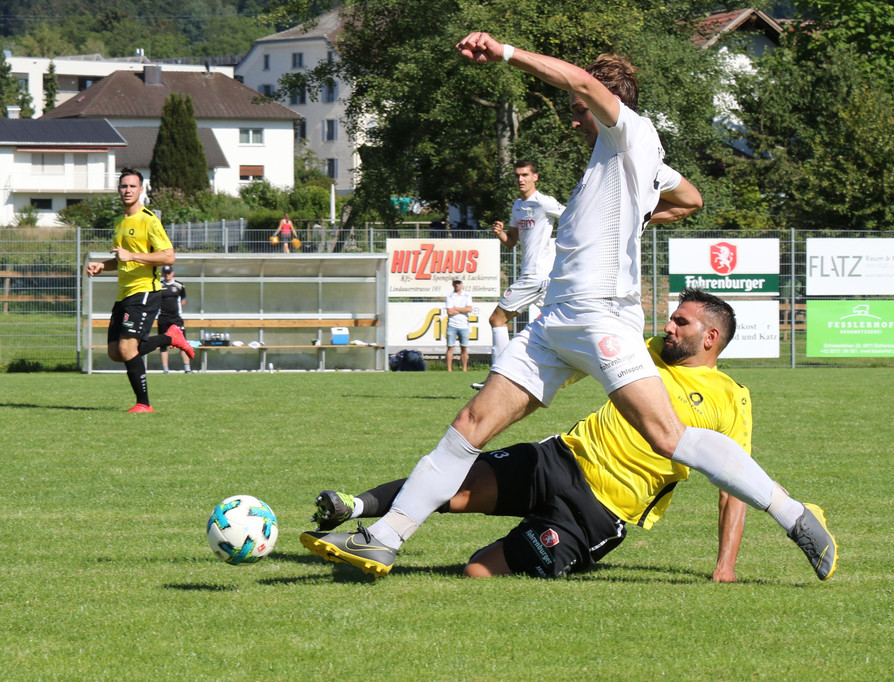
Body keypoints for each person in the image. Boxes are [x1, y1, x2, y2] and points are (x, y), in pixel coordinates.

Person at [300, 33, 836, 583]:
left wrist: (504, 53)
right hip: (555, 324)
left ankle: (795, 515)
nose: (573, 117)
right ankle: (385, 539)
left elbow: (587, 88)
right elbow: (690, 198)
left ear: (606, 102)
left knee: (667, 438)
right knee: (470, 424)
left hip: (601, 316)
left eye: (580, 108)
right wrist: (641, 212)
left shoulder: (632, 132)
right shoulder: (622, 160)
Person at [306, 290, 752, 581]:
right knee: (453, 485)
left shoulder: (732, 398)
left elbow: (733, 487)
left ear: (710, 337)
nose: (668, 327)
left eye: (681, 323)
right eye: (671, 319)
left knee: (478, 572)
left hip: (598, 513)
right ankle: (355, 508)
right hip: (558, 459)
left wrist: (725, 565)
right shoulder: (644, 350)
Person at [86, 168, 194, 413]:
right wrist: (102, 266)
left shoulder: (149, 220)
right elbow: (122, 259)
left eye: (132, 186)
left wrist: (132, 255)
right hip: (123, 293)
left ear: (141, 190)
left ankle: (144, 404)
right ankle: (171, 337)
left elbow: (168, 256)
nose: (128, 190)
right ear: (118, 190)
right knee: (116, 353)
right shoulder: (119, 222)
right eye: (124, 186)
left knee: (127, 349)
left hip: (145, 291)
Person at [472, 160, 565, 389]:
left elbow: (572, 216)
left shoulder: (544, 202)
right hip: (541, 277)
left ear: (535, 177)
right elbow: (511, 242)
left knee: (497, 319)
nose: (520, 179)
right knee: (554, 328)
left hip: (535, 276)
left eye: (525, 175)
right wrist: (500, 234)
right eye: (517, 176)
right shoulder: (517, 206)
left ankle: (498, 380)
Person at [156, 265, 192, 374]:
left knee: (183, 342)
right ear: (163, 274)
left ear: (173, 273)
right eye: (165, 273)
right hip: (163, 318)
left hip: (176, 318)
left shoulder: (179, 285)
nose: (167, 275)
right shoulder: (159, 285)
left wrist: (179, 308)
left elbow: (183, 298)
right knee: (163, 344)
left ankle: (187, 368)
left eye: (169, 272)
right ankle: (165, 369)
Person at [445, 279, 473, 372]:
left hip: (464, 325)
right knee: (450, 347)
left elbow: (469, 309)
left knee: (464, 348)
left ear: (461, 284)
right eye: (455, 283)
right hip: (452, 325)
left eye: (458, 283)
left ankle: (464, 369)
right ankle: (449, 369)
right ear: (453, 284)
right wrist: (462, 309)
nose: (457, 285)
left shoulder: (467, 295)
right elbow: (449, 312)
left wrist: (456, 308)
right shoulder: (449, 296)